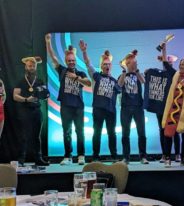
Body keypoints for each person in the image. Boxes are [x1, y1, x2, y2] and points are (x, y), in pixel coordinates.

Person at [45, 34, 91, 165]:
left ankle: (81, 155)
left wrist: (76, 78)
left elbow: (88, 83)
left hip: (78, 106)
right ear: (66, 61)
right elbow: (53, 57)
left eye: (73, 60)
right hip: (65, 106)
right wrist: (48, 42)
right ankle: (68, 156)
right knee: (66, 131)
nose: (71, 62)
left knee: (80, 131)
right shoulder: (62, 70)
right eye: (69, 60)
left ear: (75, 61)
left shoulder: (80, 73)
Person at [79, 40, 120, 161]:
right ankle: (95, 156)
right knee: (96, 133)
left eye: (109, 64)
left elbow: (120, 91)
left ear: (111, 66)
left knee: (112, 134)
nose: (107, 66)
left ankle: (114, 156)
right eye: (105, 64)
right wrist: (84, 51)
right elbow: (88, 63)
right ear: (101, 66)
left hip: (111, 111)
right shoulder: (96, 76)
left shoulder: (114, 80)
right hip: (98, 109)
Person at [143, 43, 180, 163]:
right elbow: (148, 74)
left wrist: (163, 50)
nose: (167, 64)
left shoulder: (175, 74)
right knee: (162, 130)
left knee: (175, 130)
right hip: (160, 107)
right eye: (166, 62)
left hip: (173, 107)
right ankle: (165, 154)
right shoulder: (157, 73)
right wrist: (147, 72)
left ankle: (178, 154)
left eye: (169, 62)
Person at [13, 56, 50, 166]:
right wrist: (26, 99)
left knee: (36, 136)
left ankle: (38, 159)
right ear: (26, 67)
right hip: (24, 111)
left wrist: (44, 96)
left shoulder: (39, 80)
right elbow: (15, 96)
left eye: (33, 66)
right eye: (30, 65)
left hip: (37, 110)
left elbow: (46, 95)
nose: (32, 67)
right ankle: (21, 159)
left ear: (36, 67)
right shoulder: (21, 80)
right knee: (23, 135)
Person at [118, 50, 149, 164]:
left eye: (136, 62)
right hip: (125, 107)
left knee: (142, 132)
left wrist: (136, 71)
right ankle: (126, 157)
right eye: (133, 62)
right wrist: (124, 71)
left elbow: (144, 81)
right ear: (128, 63)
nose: (135, 64)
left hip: (138, 107)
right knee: (125, 133)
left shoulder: (138, 74)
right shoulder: (123, 74)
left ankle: (143, 156)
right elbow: (119, 85)